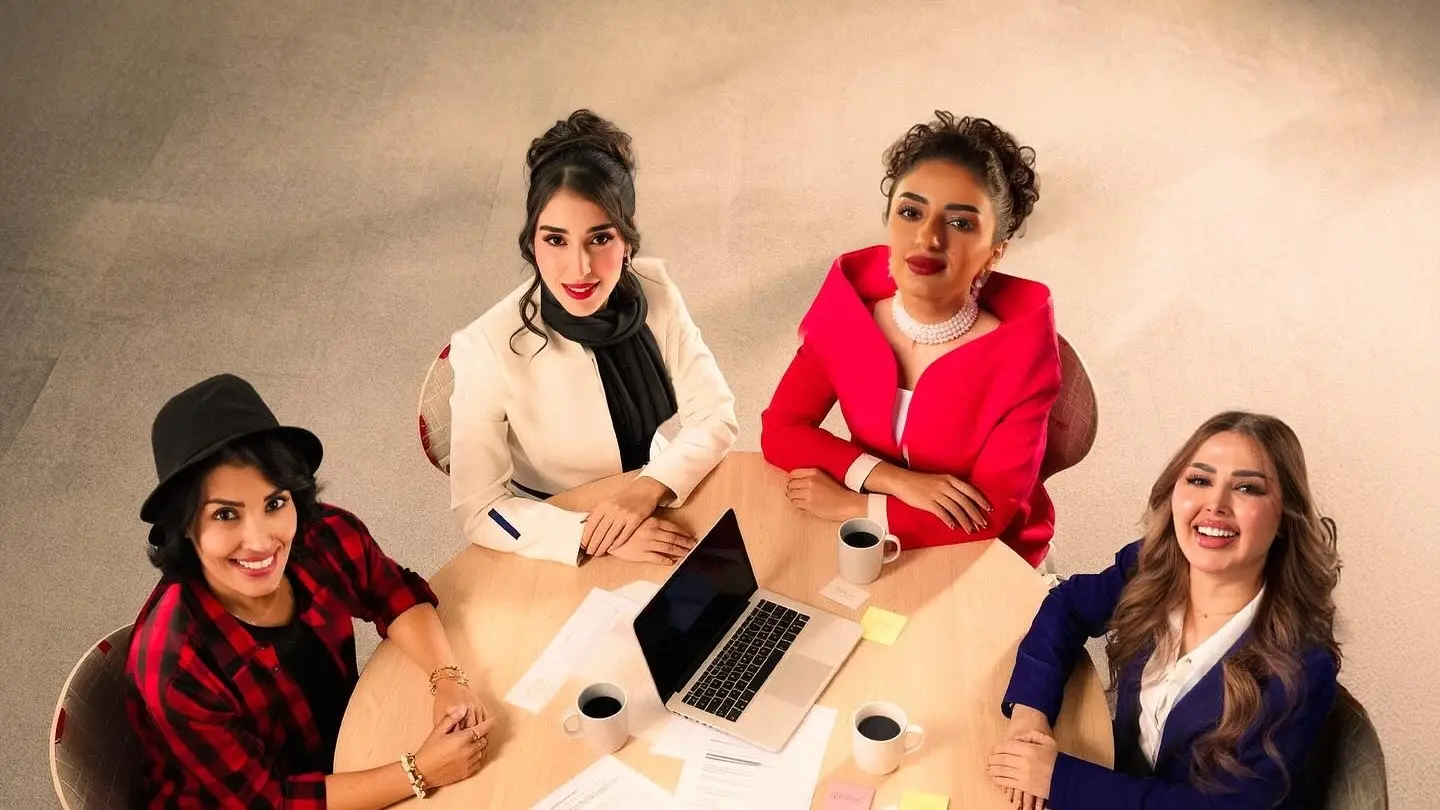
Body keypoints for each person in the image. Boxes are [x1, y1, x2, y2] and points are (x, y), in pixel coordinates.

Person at [127, 374, 492, 809]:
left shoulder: (321, 535)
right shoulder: (176, 665)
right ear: (185, 526)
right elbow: (272, 801)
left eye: (274, 503)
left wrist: (446, 679)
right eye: (225, 514)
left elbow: (393, 594)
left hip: (350, 748)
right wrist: (419, 772)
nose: (261, 542)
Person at [989, 411, 1341, 810]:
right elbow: (1067, 605)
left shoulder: (1302, 668)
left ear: (1284, 517)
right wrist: (1030, 714)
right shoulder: (1153, 565)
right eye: (1199, 480)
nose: (1216, 504)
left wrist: (1059, 779)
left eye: (1246, 488)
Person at [761, 111, 1059, 567]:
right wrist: (892, 480)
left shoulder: (1022, 358)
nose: (927, 237)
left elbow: (989, 515)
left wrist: (855, 507)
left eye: (960, 223)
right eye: (910, 212)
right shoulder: (848, 317)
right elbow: (782, 430)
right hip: (877, 534)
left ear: (994, 252)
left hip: (984, 553)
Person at [449, 109, 738, 566]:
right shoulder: (485, 346)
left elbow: (715, 415)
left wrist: (645, 490)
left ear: (627, 241)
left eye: (600, 239)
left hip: (653, 490)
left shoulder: (654, 289)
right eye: (556, 240)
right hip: (554, 530)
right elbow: (479, 509)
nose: (579, 268)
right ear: (532, 242)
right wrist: (590, 534)